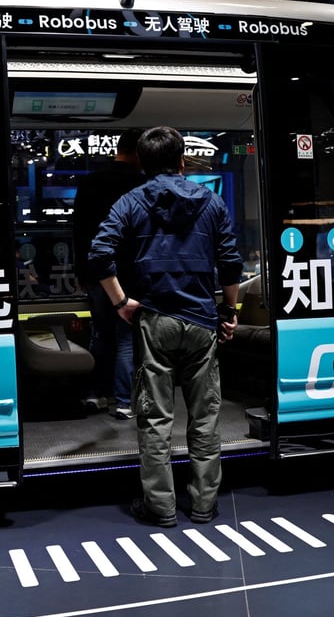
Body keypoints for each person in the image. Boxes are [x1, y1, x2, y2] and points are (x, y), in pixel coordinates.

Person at [88, 126, 243, 527]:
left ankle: (161, 507)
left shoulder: (130, 202)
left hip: (154, 320)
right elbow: (229, 263)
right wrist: (229, 311)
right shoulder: (212, 202)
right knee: (205, 417)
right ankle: (203, 504)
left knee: (155, 418)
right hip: (201, 321)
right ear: (181, 162)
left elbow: (99, 253)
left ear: (140, 161)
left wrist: (120, 302)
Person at [72, 128, 147, 417]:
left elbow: (78, 232)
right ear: (139, 153)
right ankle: (124, 403)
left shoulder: (90, 183)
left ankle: (95, 395)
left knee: (100, 334)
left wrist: (83, 271)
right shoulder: (141, 184)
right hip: (130, 273)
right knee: (126, 338)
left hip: (96, 273)